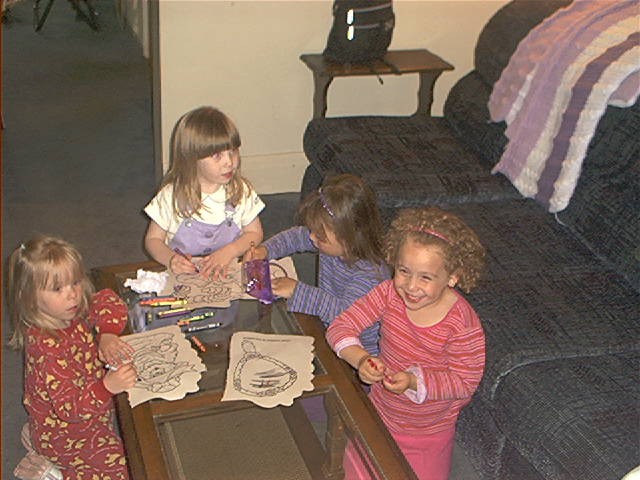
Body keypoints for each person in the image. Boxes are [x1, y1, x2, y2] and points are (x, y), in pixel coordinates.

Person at [326, 207, 486, 480]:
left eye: (425, 277)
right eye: (403, 271)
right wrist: (362, 359)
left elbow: (465, 381)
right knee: (355, 472)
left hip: (429, 432)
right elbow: (340, 327)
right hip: (380, 413)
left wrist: (414, 382)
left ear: (452, 277)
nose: (411, 286)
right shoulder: (388, 293)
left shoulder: (462, 324)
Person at [7, 236, 137, 480]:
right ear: (31, 297)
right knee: (125, 467)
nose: (73, 296)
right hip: (68, 433)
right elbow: (70, 409)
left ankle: (38, 434)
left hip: (90, 413)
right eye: (58, 289)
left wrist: (107, 334)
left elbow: (108, 299)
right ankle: (56, 472)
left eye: (75, 283)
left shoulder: (70, 310)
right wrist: (108, 386)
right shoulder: (46, 350)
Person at [248, 174, 389, 355]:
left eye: (320, 236)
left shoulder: (370, 276)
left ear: (349, 237)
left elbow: (345, 316)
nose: (312, 238)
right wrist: (265, 250)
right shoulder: (334, 244)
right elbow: (297, 236)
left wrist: (297, 291)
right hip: (326, 329)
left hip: (356, 352)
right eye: (313, 231)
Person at [144, 106, 264, 280]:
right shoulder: (171, 196)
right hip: (183, 276)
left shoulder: (240, 191)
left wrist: (230, 251)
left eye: (233, 152)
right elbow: (153, 240)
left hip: (227, 274)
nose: (229, 162)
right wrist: (171, 260)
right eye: (217, 156)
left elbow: (255, 233)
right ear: (192, 159)